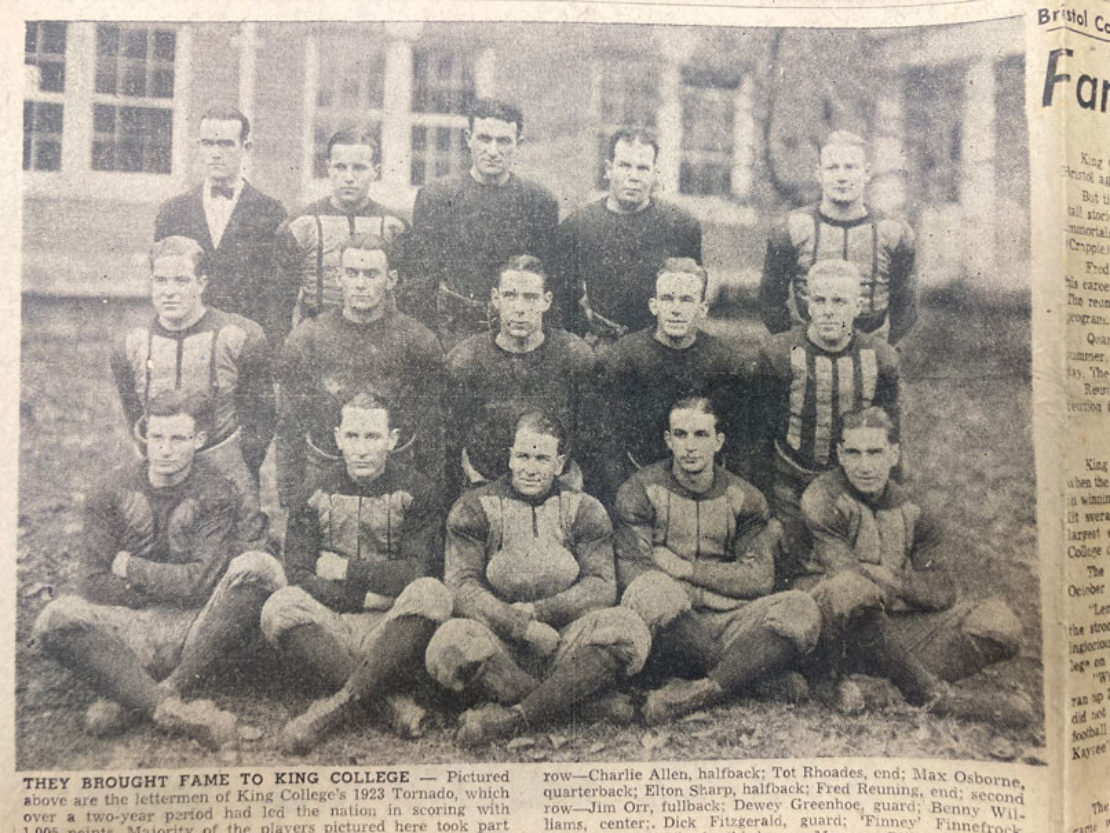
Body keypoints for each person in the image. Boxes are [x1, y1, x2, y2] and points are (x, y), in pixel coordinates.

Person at [32, 391, 285, 749]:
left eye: (178, 438)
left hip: (194, 627)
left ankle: (154, 691)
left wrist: (129, 566)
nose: (165, 449)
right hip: (131, 624)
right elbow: (92, 582)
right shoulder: (110, 489)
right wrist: (159, 587)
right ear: (144, 436)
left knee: (259, 567)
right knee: (53, 619)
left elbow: (198, 585)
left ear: (198, 440)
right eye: (157, 437)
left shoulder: (215, 491)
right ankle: (170, 708)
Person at [424, 411, 651, 746]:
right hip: (499, 641)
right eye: (522, 456)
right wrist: (521, 626)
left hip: (565, 639)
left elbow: (601, 585)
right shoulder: (473, 507)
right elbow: (461, 587)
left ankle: (514, 718)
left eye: (542, 458)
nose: (530, 468)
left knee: (628, 627)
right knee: (449, 642)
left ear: (559, 464)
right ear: (510, 457)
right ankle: (581, 705)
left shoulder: (586, 509)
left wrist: (540, 613)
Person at [796, 407, 1033, 726]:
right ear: (840, 454)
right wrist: (904, 587)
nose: (865, 465)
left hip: (892, 627)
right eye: (854, 452)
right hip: (835, 634)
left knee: (1001, 625)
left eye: (875, 452)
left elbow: (944, 589)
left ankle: (881, 685)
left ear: (894, 454)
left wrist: (889, 578)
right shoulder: (822, 497)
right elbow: (847, 577)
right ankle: (931, 694)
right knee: (851, 590)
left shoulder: (914, 507)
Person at [261, 393, 453, 753]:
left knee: (432, 593)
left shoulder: (418, 491)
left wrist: (344, 568)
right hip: (332, 621)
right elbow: (300, 572)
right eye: (353, 437)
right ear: (337, 438)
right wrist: (362, 596)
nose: (361, 449)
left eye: (372, 437)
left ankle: (336, 707)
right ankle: (386, 703)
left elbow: (417, 571)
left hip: (392, 627)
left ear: (392, 440)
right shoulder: (313, 490)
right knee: (279, 604)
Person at [613, 397, 821, 725]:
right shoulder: (639, 491)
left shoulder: (745, 497)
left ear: (718, 442)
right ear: (668, 440)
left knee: (801, 606)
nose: (690, 446)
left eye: (700, 435)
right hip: (669, 626)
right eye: (680, 435)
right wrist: (704, 589)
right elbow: (634, 573)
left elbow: (758, 578)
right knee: (650, 590)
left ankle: (702, 690)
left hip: (727, 619)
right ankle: (745, 678)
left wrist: (687, 570)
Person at [275, 232, 444, 508]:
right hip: (325, 474)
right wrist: (291, 497)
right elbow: (289, 427)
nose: (361, 284)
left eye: (371, 274)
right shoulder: (308, 338)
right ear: (338, 278)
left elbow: (431, 431)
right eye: (352, 273)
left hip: (396, 480)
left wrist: (429, 495)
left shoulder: (418, 341)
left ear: (391, 280)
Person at [754, 259, 901, 575]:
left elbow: (891, 437)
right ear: (807, 304)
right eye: (820, 300)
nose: (829, 310)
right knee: (788, 568)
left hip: (850, 483)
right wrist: (763, 512)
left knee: (858, 571)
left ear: (858, 306)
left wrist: (891, 503)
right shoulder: (778, 353)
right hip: (789, 481)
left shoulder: (881, 358)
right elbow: (756, 437)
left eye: (839, 301)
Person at [111, 236, 274, 516]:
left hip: (224, 465)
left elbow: (262, 416)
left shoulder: (238, 336)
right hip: (161, 470)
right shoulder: (131, 344)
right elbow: (134, 413)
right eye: (160, 281)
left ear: (202, 284)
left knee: (243, 554)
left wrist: (241, 464)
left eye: (181, 281)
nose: (169, 292)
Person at [598, 257, 750, 503]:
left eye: (686, 300)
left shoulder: (724, 361)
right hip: (640, 480)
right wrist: (624, 494)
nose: (676, 309)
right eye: (668, 299)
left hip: (702, 484)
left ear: (703, 309)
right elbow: (609, 442)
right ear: (654, 305)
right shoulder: (625, 357)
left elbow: (738, 441)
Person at [410, 99, 559, 347]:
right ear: (468, 138)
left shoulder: (538, 202)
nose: (492, 150)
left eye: (503, 141)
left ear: (518, 144)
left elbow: (548, 278)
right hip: (452, 331)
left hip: (516, 332)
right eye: (484, 139)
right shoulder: (437, 197)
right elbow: (419, 282)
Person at [444, 255, 597, 496]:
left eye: (530, 297)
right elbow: (451, 440)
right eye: (510, 295)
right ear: (496, 298)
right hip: (486, 487)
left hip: (556, 491)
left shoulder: (574, 356)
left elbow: (592, 438)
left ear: (546, 301)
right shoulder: (466, 360)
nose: (520, 308)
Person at [760, 130, 917, 344]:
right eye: (833, 168)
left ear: (866, 172)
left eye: (850, 167)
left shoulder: (894, 232)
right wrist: (797, 345)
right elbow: (770, 302)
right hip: (809, 347)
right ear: (819, 174)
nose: (842, 177)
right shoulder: (792, 229)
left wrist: (881, 350)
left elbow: (905, 307)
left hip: (873, 346)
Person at [154, 105, 286, 344]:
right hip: (187, 341)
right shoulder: (173, 212)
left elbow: (278, 296)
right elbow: (162, 283)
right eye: (208, 143)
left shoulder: (271, 212)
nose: (215, 153)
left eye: (225, 144)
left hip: (246, 344)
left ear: (245, 148)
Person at [556, 126, 702, 343]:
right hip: (599, 346)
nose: (633, 177)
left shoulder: (681, 225)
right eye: (624, 166)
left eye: (642, 168)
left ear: (655, 173)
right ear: (608, 169)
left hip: (660, 345)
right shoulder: (577, 225)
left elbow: (694, 292)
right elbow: (563, 300)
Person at [272, 128, 408, 342]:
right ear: (328, 169)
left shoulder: (394, 226)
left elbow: (406, 299)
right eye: (340, 167)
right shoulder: (301, 225)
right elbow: (280, 301)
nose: (349, 178)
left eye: (359, 168)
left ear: (376, 171)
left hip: (380, 340)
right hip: (316, 339)